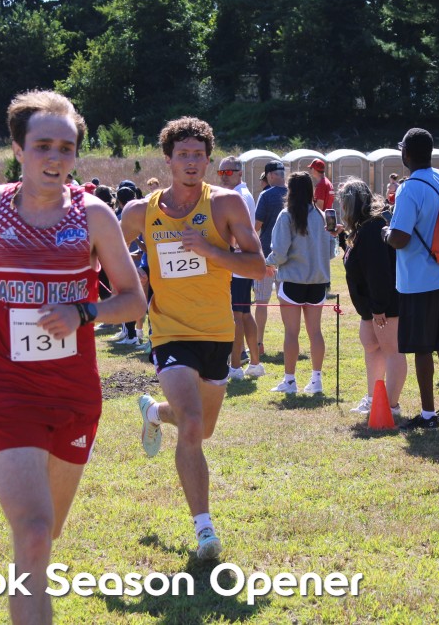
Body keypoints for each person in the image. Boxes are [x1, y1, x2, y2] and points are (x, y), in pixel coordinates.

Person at [0, 90, 145, 624]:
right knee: (35, 535)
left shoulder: (94, 215)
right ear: (18, 149)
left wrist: (83, 311)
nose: (55, 158)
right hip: (9, 393)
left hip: (74, 397)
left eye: (66, 148)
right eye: (42, 146)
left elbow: (134, 300)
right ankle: (1, 454)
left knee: (47, 536)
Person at [120, 116, 265, 561]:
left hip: (218, 334)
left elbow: (257, 266)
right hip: (169, 332)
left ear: (208, 160)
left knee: (202, 426)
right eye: (182, 154)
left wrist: (211, 251)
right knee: (193, 425)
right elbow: (102, 251)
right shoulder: (140, 212)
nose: (190, 162)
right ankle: (205, 531)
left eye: (198, 155)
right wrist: (127, 282)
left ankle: (153, 412)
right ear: (167, 160)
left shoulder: (225, 205)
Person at [384, 128, 439, 430]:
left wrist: (385, 233)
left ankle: (428, 414)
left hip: (419, 279)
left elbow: (400, 238)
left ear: (405, 153)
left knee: (421, 347)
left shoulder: (409, 188)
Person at [338, 179, 405, 416]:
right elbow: (358, 260)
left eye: (343, 203)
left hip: (385, 303)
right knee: (371, 344)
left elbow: (379, 272)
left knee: (392, 350)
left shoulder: (372, 228)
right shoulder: (363, 228)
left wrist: (379, 308)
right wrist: (342, 237)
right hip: (371, 304)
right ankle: (373, 398)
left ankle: (391, 406)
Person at [265, 172, 331, 394]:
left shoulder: (286, 215)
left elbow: (279, 253)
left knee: (291, 333)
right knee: (315, 332)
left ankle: (290, 381)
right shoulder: (322, 215)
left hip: (292, 281)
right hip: (317, 283)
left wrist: (267, 263)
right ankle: (316, 380)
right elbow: (331, 252)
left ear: (290, 191)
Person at [217, 156, 265, 379]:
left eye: (228, 172)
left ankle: (235, 366)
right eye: (221, 173)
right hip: (241, 264)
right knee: (244, 314)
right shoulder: (241, 194)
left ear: (239, 173)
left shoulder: (238, 196)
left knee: (237, 315)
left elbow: (237, 233)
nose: (224, 177)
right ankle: (254, 363)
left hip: (237, 264)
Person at [253, 160, 287, 355]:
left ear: (270, 175)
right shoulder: (293, 193)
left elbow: (257, 226)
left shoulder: (265, 195)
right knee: (287, 302)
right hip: (289, 257)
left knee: (261, 301)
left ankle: (259, 344)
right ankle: (289, 342)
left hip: (266, 255)